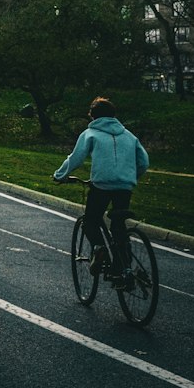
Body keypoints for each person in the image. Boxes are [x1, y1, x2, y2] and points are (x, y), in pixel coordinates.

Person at [53, 97, 150, 280]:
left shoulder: (90, 133)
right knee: (118, 224)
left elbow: (76, 158)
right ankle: (123, 268)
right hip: (125, 186)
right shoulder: (129, 135)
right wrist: (131, 177)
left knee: (91, 219)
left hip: (102, 185)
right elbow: (144, 161)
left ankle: (99, 248)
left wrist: (60, 175)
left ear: (93, 116)